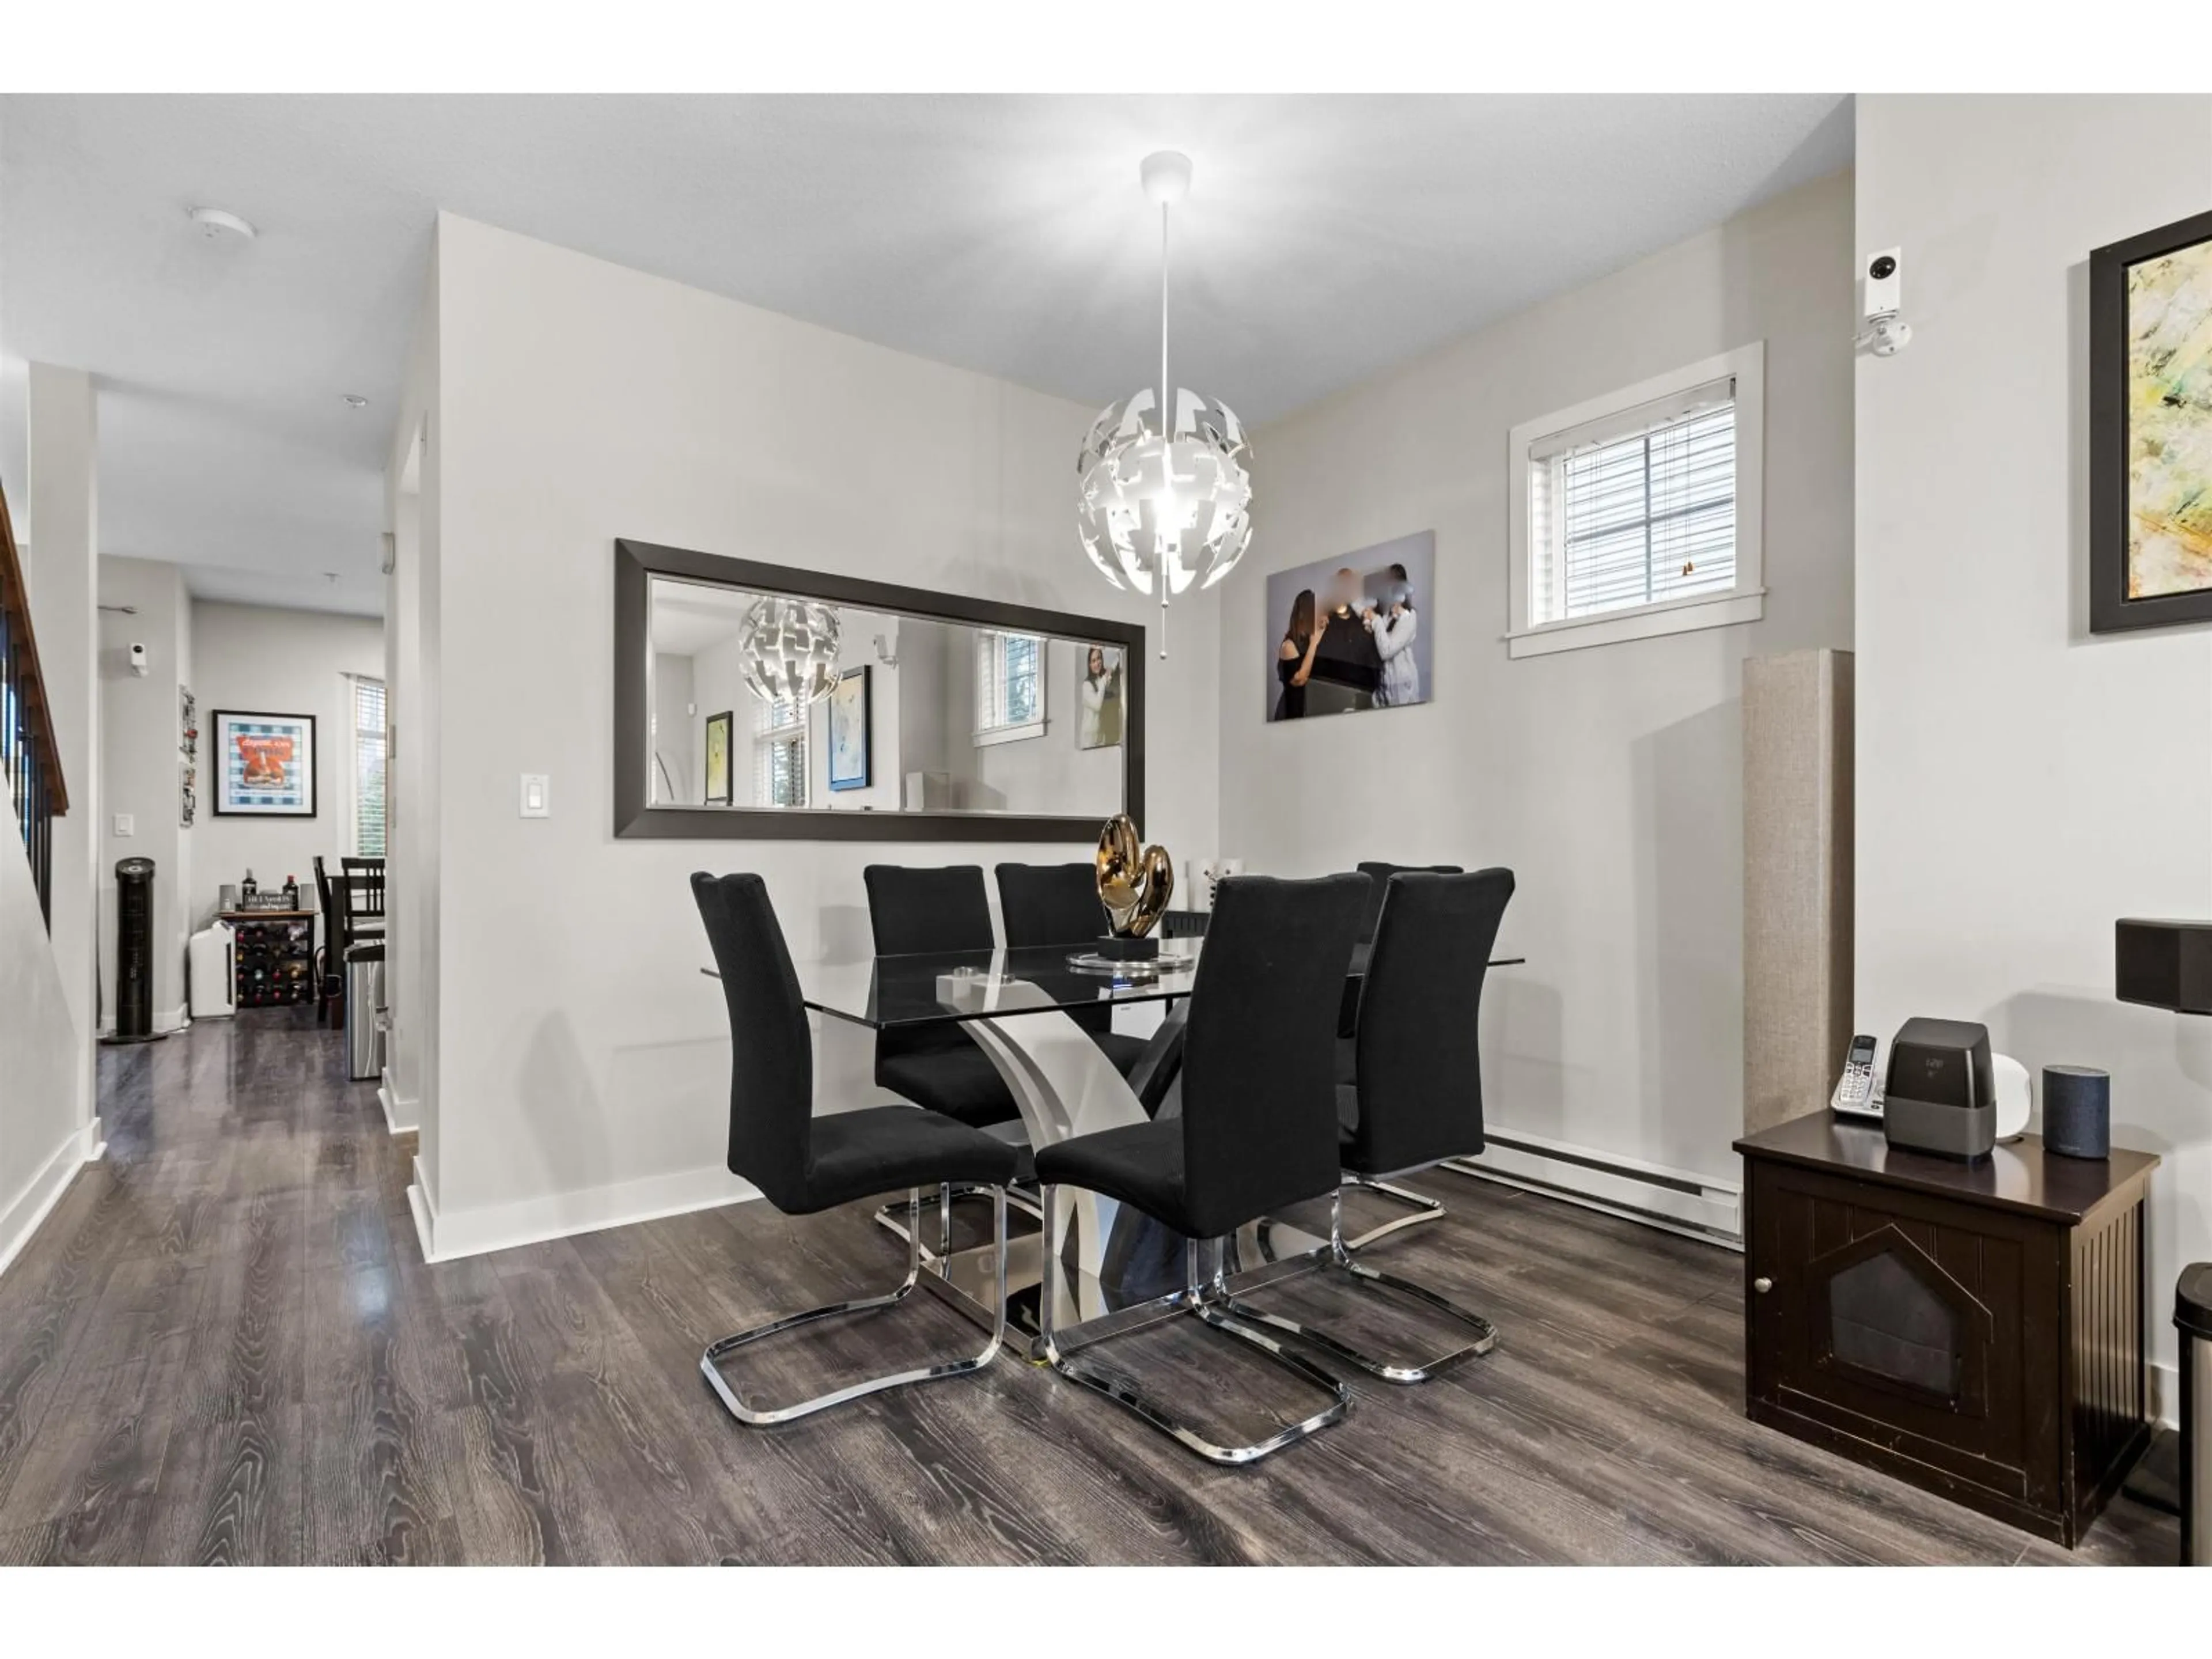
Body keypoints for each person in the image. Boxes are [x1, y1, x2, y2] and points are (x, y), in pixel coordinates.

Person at [1372, 561, 1421, 707]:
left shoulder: (1409, 617)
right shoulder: (1387, 614)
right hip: (1385, 687)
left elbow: (1386, 651)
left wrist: (1376, 621)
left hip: (1403, 688)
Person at [1274, 589, 1323, 719]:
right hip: (1290, 714)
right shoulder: (1288, 646)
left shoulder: (1308, 641)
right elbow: (1300, 680)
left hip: (1307, 711)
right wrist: (1314, 643)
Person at [1080, 645, 1123, 748]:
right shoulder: (1087, 685)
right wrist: (1105, 679)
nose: (1097, 663)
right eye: (1093, 661)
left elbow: (1113, 668)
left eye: (1099, 658)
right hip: (1089, 739)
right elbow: (1098, 706)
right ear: (1090, 665)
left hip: (1100, 736)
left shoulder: (1101, 680)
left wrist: (1120, 654)